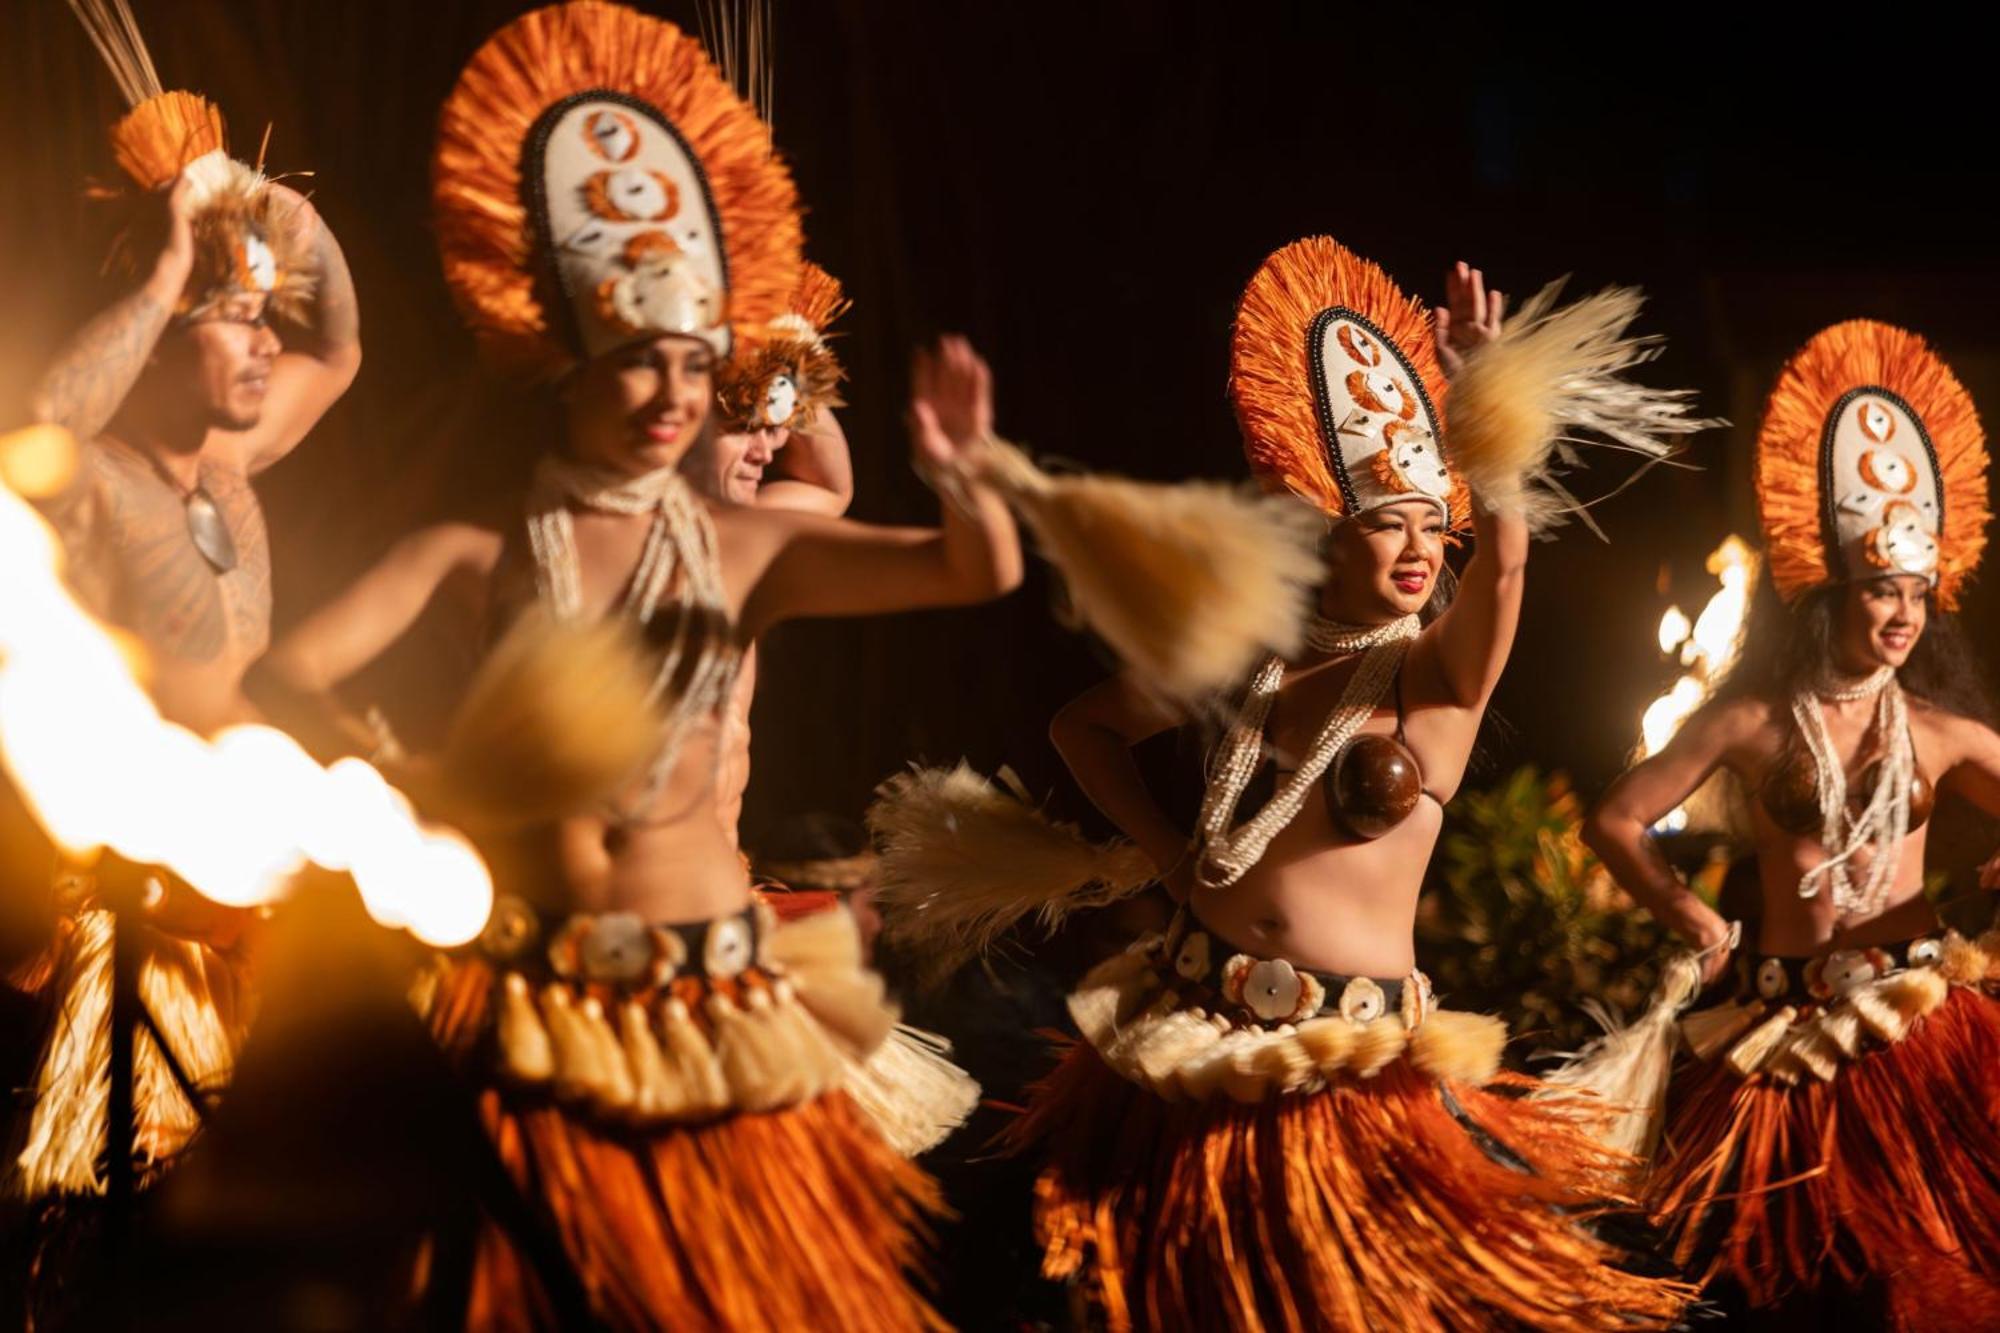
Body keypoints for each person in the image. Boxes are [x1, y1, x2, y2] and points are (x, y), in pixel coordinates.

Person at [258, 4, 1019, 1326]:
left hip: (710, 999)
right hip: (536, 995)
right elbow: (288, 675)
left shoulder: (746, 545)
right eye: (637, 364)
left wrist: (970, 480)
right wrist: (416, 787)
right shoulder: (484, 549)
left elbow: (976, 571)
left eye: (692, 365)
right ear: (563, 366)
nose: (672, 394)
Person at [1004, 238, 1704, 1330]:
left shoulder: (1436, 686)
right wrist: (1160, 848)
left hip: (1353, 1069)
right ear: (1323, 534)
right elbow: (1082, 726)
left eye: (1433, 525)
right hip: (1195, 1032)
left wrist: (1483, 413)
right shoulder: (1250, 660)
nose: (1419, 547)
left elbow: (1507, 564)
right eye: (1387, 521)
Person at [1582, 318, 2000, 1327]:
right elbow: (1616, 818)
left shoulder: (1940, 733)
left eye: (1913, 594)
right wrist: (1687, 914)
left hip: (1909, 1025)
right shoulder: (1750, 722)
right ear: (1828, 594)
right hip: (1777, 1032)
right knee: (1774, 1283)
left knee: (1922, 1274)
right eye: (1876, 592)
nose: (1899, 614)